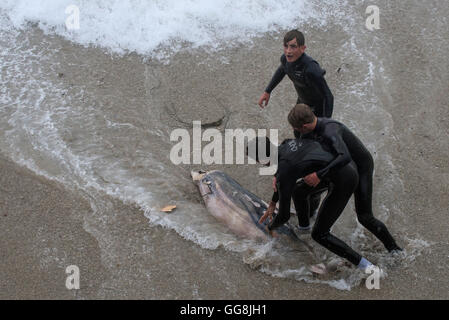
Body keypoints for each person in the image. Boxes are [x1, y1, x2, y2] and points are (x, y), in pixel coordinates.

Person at [288, 103, 402, 253]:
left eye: (296, 128)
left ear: (306, 125)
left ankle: (395, 249)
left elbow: (345, 156)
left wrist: (319, 174)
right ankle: (307, 222)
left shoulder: (331, 130)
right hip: (338, 169)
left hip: (360, 167)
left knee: (364, 217)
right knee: (303, 189)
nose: (295, 131)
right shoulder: (307, 132)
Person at [256, 136, 378, 271]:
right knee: (299, 191)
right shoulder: (287, 143)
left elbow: (283, 216)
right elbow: (283, 179)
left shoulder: (284, 172)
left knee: (320, 235)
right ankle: (304, 228)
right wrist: (273, 203)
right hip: (346, 164)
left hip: (345, 180)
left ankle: (368, 267)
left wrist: (269, 227)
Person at [258, 29, 334, 119]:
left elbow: (328, 96)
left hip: (318, 108)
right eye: (286, 46)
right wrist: (267, 91)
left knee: (310, 132)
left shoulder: (311, 69)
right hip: (302, 101)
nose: (288, 51)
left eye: (293, 47)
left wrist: (326, 122)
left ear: (302, 48)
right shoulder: (285, 59)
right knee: (297, 131)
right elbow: (282, 70)